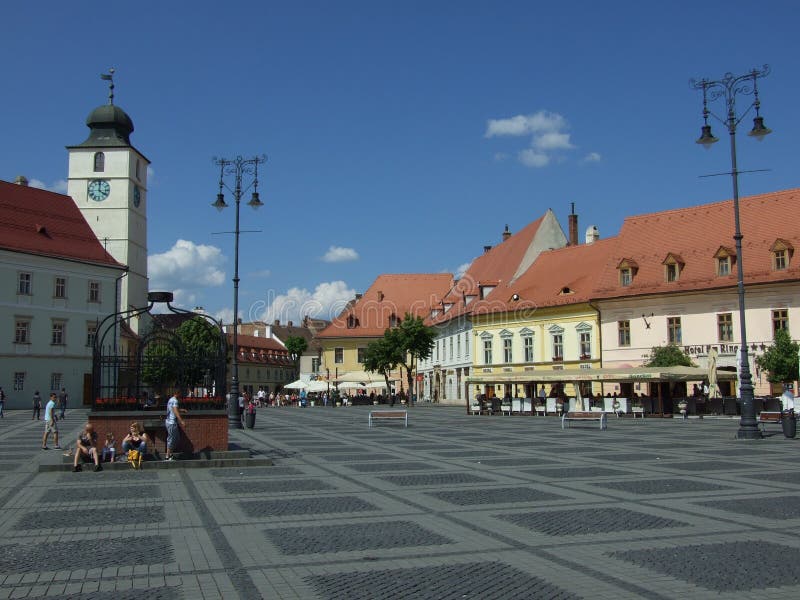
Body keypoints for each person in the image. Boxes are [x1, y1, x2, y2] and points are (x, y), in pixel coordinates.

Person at [164, 390, 186, 461]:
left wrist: (181, 410)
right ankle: (167, 456)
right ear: (177, 393)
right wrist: (181, 421)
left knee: (175, 438)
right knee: (172, 439)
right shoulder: (175, 401)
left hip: (169, 422)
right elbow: (175, 411)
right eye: (180, 393)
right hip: (171, 422)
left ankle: (169, 454)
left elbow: (173, 409)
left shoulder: (171, 400)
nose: (181, 395)